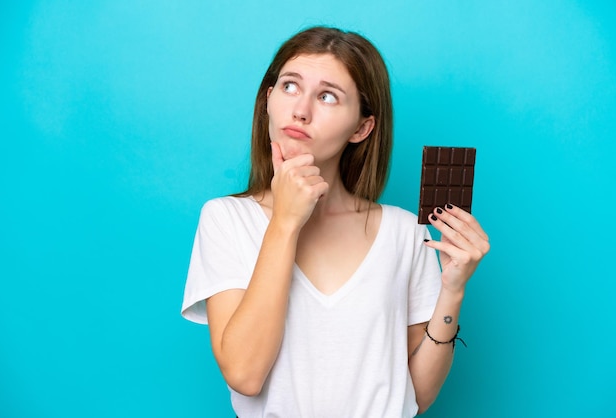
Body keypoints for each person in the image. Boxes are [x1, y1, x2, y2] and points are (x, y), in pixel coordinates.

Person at [181, 26, 490, 417]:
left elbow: (420, 394)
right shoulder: (226, 219)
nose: (301, 110)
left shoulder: (403, 231)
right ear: (267, 100)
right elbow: (245, 374)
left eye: (327, 96)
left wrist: (453, 291)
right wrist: (285, 223)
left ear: (362, 127)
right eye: (290, 86)